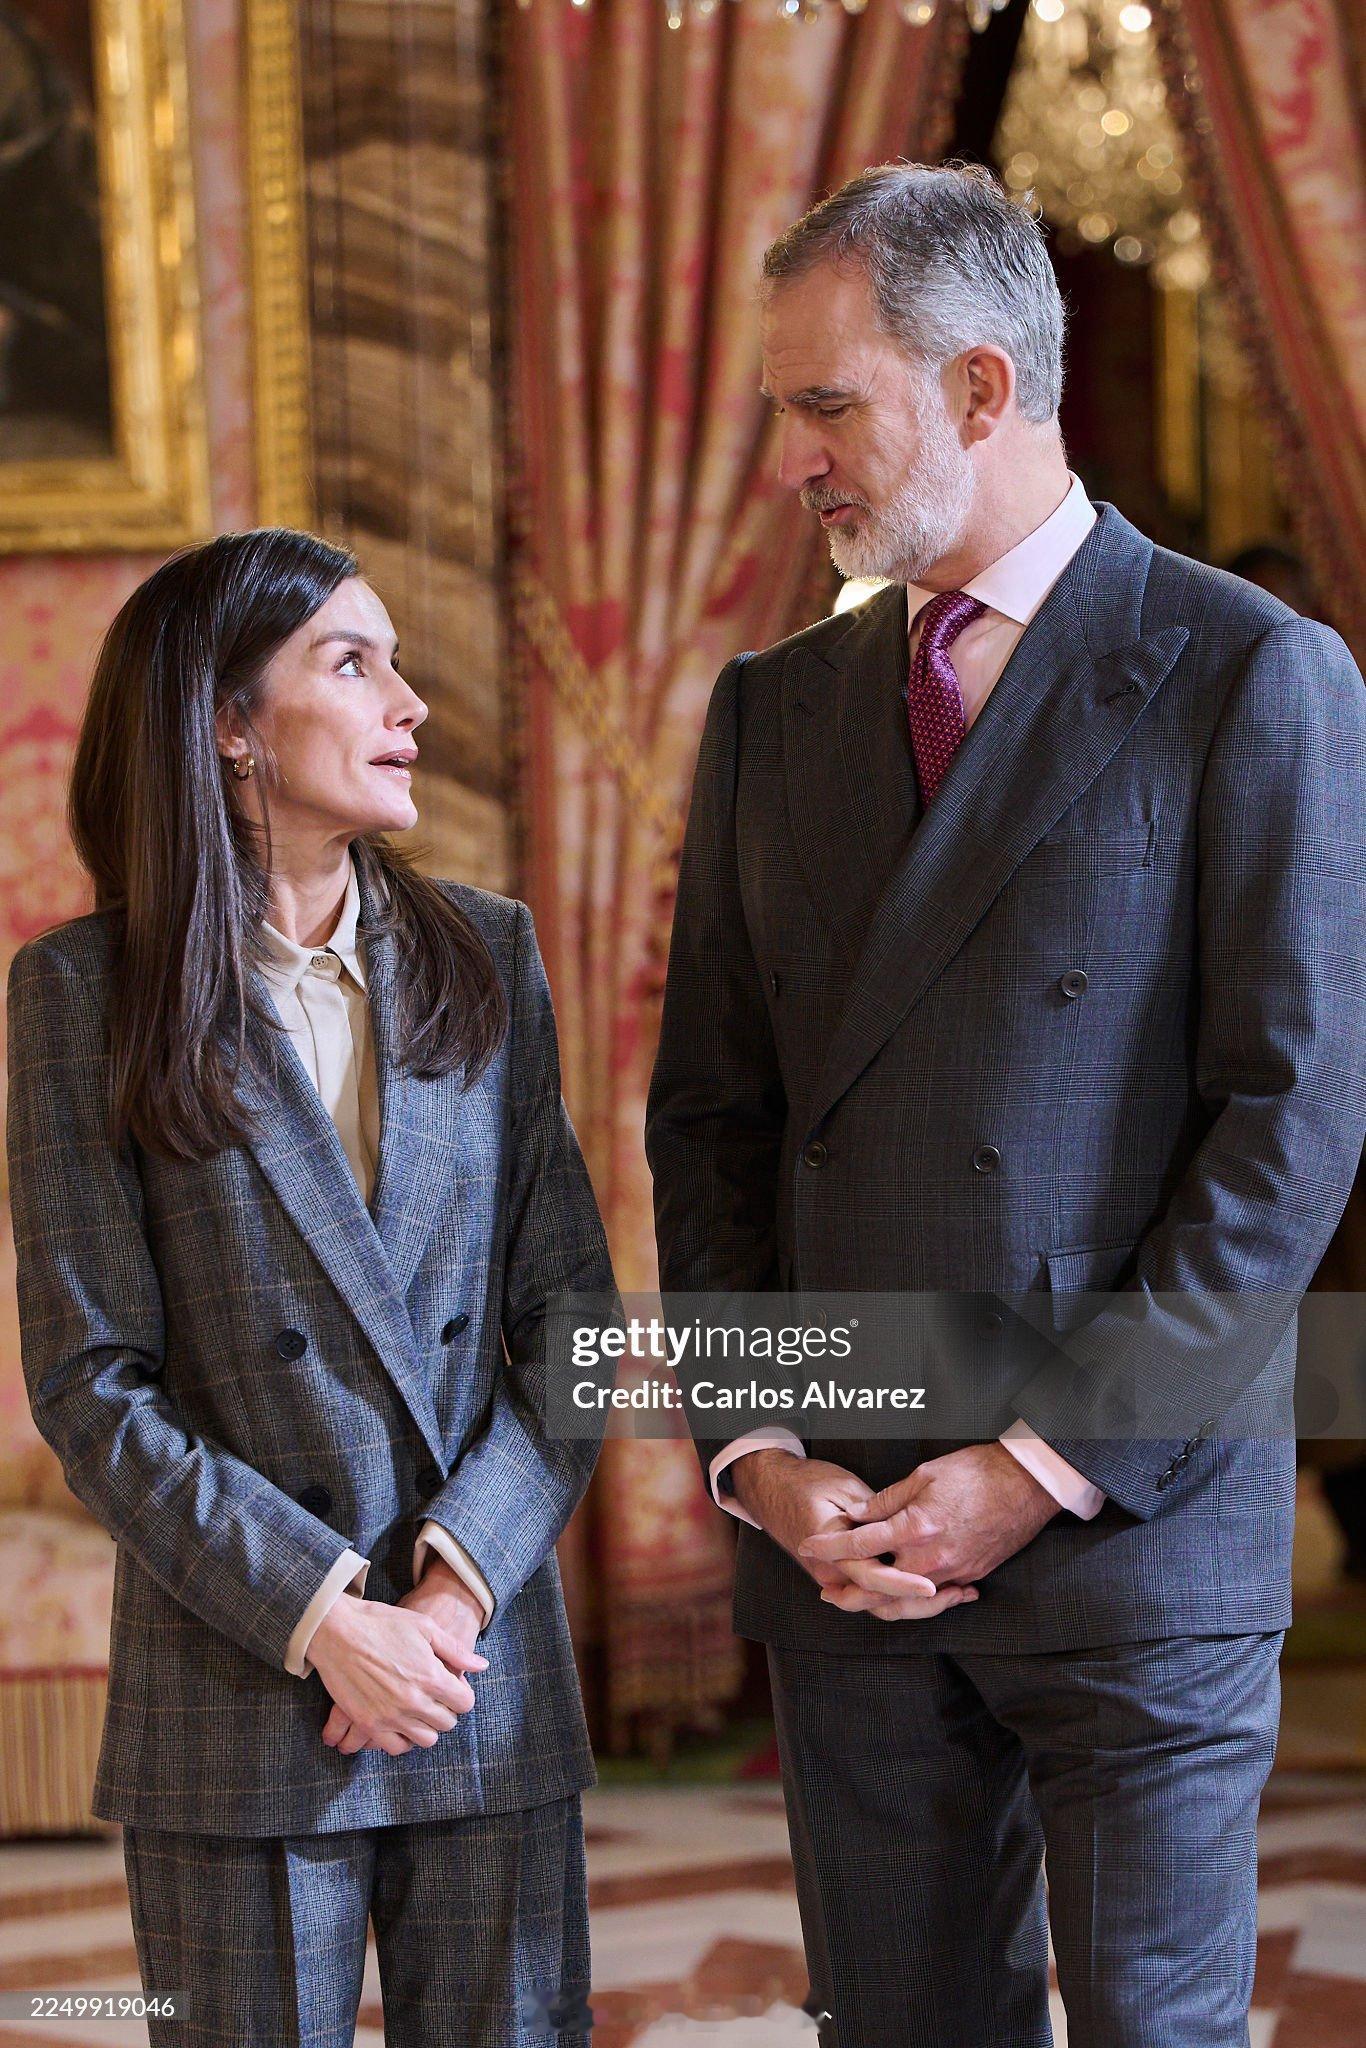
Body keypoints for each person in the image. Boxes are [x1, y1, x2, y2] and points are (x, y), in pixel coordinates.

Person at [645, 163, 1366, 2048]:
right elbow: (711, 1124)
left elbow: (1285, 1130)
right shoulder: (768, 710)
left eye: (826, 405)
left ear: (980, 388)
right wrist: (759, 1450)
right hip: (851, 1535)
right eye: (780, 411)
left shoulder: (1250, 672)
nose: (792, 461)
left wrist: (1039, 1465)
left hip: (1130, 1528)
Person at [6, 528, 612, 2047]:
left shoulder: (488, 954)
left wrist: (447, 1594)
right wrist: (328, 1617)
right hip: (243, 1678)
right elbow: (91, 1384)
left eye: (398, 662)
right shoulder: (84, 993)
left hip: (475, 1669)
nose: (410, 703)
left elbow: (573, 1329)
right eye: (353, 664)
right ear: (228, 725)